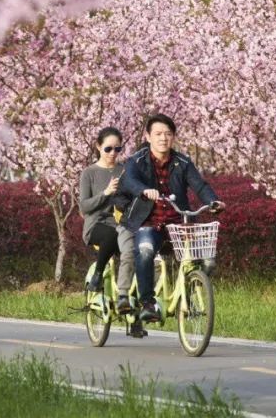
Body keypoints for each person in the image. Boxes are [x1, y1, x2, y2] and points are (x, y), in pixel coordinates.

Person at [120, 113, 224, 322]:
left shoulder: (183, 162)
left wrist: (213, 201)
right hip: (150, 222)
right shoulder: (136, 160)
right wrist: (143, 190)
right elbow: (128, 181)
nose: (163, 138)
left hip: (179, 223)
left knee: (207, 258)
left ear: (173, 137)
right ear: (148, 136)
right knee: (146, 250)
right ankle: (148, 302)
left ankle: (189, 289)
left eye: (168, 134)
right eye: (158, 134)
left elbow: (200, 185)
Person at [78, 127, 135, 315]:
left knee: (137, 254)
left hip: (122, 225)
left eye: (117, 149)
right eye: (108, 149)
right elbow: (84, 207)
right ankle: (98, 274)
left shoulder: (123, 171)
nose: (113, 153)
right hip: (96, 226)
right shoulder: (89, 173)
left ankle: (132, 312)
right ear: (98, 147)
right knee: (111, 234)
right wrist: (106, 193)